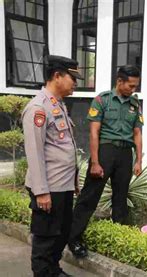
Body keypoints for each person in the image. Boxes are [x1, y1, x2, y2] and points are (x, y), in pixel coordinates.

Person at [68, 65, 143, 258]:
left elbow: (137, 133)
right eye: (131, 85)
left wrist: (138, 161)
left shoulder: (135, 104)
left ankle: (117, 238)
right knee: (89, 196)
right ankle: (73, 238)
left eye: (136, 86)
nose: (133, 89)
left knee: (120, 198)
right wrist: (95, 162)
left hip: (125, 154)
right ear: (119, 81)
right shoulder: (102, 100)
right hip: (105, 151)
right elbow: (94, 132)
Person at [22, 55, 83, 277]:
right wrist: (41, 192)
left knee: (62, 233)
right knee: (45, 240)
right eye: (72, 78)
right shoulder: (38, 108)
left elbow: (64, 148)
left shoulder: (58, 105)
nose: (75, 84)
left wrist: (72, 183)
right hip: (47, 189)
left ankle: (53, 270)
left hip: (62, 186)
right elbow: (35, 153)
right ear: (57, 76)